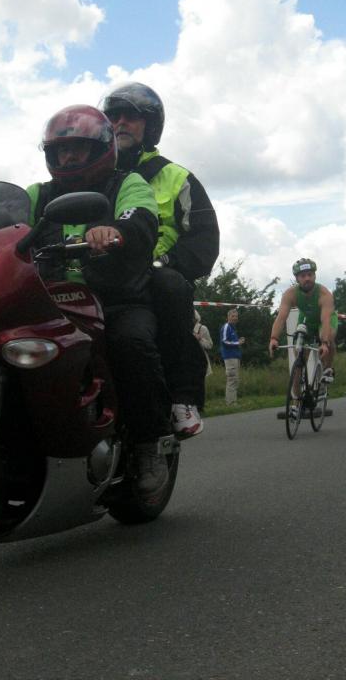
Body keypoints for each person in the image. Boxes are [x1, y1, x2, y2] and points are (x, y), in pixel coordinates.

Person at [27, 104, 170, 501]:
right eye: (61, 150)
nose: (68, 157)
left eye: (78, 148)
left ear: (101, 149)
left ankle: (150, 443)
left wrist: (116, 231)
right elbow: (3, 226)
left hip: (115, 299)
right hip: (48, 301)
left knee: (131, 344)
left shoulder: (127, 183)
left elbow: (141, 219)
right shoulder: (37, 194)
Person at [99, 82, 220, 438]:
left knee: (170, 286)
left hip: (155, 277)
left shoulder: (177, 177)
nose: (120, 123)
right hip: (99, 274)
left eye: (131, 116)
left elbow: (204, 240)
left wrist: (167, 262)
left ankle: (183, 397)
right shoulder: (90, 174)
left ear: (150, 126)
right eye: (113, 116)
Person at [269, 258, 337, 381]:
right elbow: (281, 318)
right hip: (306, 320)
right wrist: (274, 338)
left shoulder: (324, 294)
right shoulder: (290, 294)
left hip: (325, 320)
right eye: (303, 276)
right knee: (299, 359)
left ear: (315, 276)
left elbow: (325, 320)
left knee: (327, 336)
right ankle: (297, 391)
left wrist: (324, 343)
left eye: (310, 275)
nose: (307, 278)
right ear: (297, 278)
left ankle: (327, 368)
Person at [220, 309, 245, 405]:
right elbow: (224, 341)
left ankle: (233, 401)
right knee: (232, 379)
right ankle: (230, 403)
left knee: (235, 379)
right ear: (228, 317)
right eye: (233, 316)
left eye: (236, 316)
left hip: (235, 356)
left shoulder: (232, 328)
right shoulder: (226, 327)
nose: (235, 318)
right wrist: (237, 342)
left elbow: (231, 342)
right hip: (230, 357)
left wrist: (238, 341)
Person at [193, 309, 213, 376]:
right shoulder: (184, 328)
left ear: (196, 318)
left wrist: (200, 339)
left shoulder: (203, 328)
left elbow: (210, 345)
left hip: (200, 361)